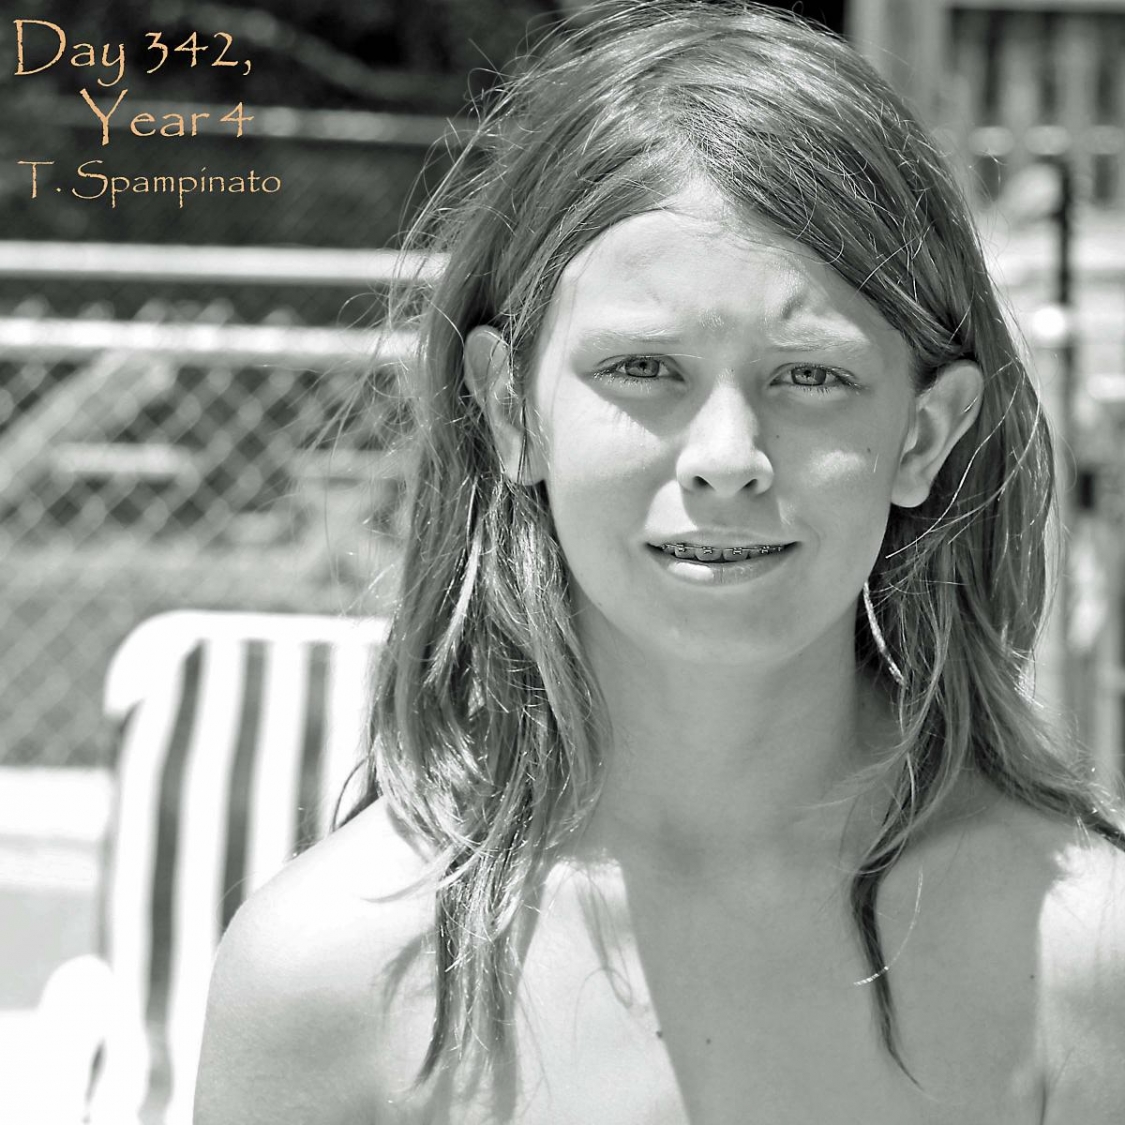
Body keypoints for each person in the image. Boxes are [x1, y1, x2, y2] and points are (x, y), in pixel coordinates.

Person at [194, 3, 1125, 1121]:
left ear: (923, 435)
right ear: (509, 409)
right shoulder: (329, 975)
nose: (727, 456)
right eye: (642, 367)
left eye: (810, 375)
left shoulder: (1081, 958)